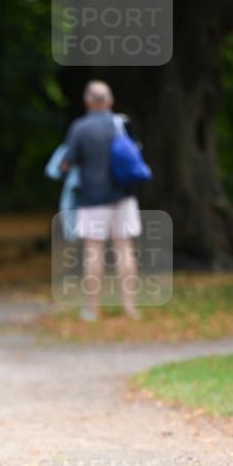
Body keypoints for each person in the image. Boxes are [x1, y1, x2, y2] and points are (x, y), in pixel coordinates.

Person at [61, 80, 142, 322]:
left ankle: (92, 310)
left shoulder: (80, 128)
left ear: (87, 101)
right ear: (109, 101)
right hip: (124, 197)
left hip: (92, 199)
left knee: (93, 253)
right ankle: (130, 308)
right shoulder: (122, 124)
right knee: (125, 251)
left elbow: (66, 164)